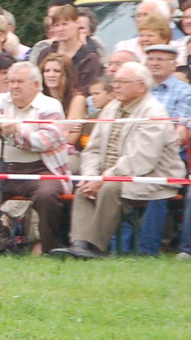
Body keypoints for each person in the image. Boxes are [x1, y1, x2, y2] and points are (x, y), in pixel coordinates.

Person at [56, 62, 178, 259]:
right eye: (115, 81)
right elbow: (92, 149)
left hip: (150, 176)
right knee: (84, 187)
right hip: (110, 174)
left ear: (141, 86)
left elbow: (141, 160)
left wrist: (103, 179)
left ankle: (96, 247)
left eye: (122, 82)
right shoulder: (111, 108)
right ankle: (78, 244)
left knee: (110, 188)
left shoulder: (154, 113)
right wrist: (91, 176)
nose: (116, 86)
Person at [0, 62, 70, 252]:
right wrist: (2, 124)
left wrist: (13, 132)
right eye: (11, 81)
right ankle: (0, 245)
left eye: (19, 81)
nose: (13, 86)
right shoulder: (0, 100)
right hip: (4, 169)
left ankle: (48, 248)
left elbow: (43, 142)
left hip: (42, 169)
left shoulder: (51, 106)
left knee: (47, 196)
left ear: (36, 85)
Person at [29, 4, 103, 90]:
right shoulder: (45, 54)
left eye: (65, 24)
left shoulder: (89, 58)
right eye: (57, 25)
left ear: (77, 23)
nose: (60, 29)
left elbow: (88, 91)